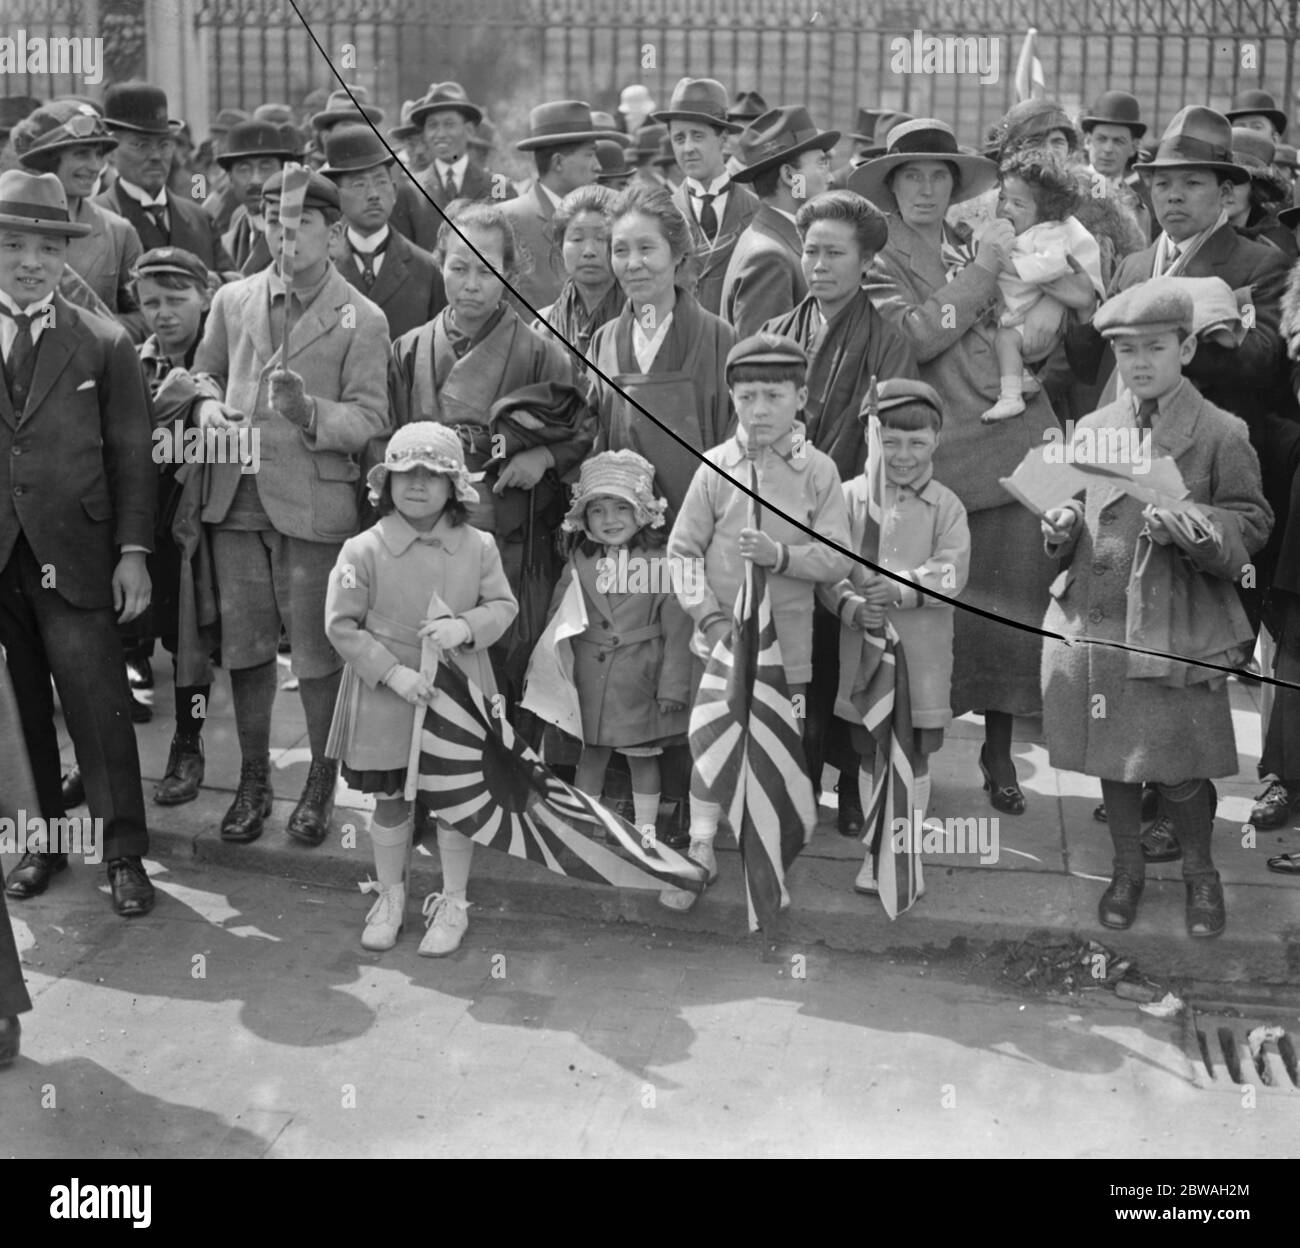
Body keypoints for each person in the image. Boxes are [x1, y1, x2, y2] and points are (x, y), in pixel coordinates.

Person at [1041, 280, 1272, 937]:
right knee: (1114, 757)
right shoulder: (1096, 428)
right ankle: (1128, 868)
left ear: (1187, 347)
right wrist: (1062, 523)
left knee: (1181, 763)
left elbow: (1252, 521)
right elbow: (1077, 506)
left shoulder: (1222, 433)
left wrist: (1198, 529)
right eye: (1125, 350)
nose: (1139, 363)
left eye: (1154, 348)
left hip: (1176, 623)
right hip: (1102, 618)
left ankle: (1201, 875)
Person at [856, 118, 1055, 814]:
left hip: (1010, 451)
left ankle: (1000, 753)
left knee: (1010, 605)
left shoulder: (970, 241)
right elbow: (914, 334)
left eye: (939, 176)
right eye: (911, 175)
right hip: (933, 457)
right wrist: (981, 272)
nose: (926, 188)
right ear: (890, 184)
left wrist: (1026, 364)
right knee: (924, 612)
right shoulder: (879, 259)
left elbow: (1019, 319)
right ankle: (912, 758)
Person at [191, 168, 391, 848]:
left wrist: (309, 412)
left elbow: (370, 417)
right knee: (245, 649)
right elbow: (203, 371)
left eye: (300, 225)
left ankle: (318, 784)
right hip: (236, 501)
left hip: (312, 507)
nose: (285, 237)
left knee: (316, 652)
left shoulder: (362, 317)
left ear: (334, 234)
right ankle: (252, 781)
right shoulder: (232, 298)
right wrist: (207, 403)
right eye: (274, 224)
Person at [0, 170, 157, 917]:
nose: (29, 261)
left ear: (66, 256)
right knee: (17, 704)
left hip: (82, 553)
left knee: (97, 705)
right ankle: (40, 842)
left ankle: (124, 852)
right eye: (11, 244)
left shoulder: (104, 341)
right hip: (2, 557)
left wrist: (132, 553)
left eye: (45, 247)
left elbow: (132, 457)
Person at [660, 332, 853, 911]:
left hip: (787, 651)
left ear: (802, 398)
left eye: (774, 394)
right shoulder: (715, 469)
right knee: (712, 745)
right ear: (732, 399)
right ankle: (700, 849)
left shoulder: (819, 472)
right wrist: (710, 618)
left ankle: (766, 859)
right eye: (747, 397)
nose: (761, 409)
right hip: (718, 645)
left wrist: (784, 557)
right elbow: (681, 552)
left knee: (774, 750)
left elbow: (841, 553)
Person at [387, 201, 591, 709]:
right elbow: (385, 440)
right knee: (425, 657)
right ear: (440, 264)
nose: (471, 284)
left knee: (503, 663)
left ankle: (505, 782)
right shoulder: (409, 349)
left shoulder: (541, 352)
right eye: (459, 268)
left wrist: (542, 458)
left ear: (510, 272)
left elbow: (583, 427)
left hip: (511, 532)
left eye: (486, 269)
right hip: (423, 526)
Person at [325, 422, 517, 954]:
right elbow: (341, 625)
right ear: (385, 483)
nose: (417, 484)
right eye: (405, 473)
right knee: (390, 799)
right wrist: (393, 673)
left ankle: (454, 901)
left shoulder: (479, 546)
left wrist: (467, 626)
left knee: (456, 799)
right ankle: (390, 896)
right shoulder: (361, 549)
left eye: (433, 475)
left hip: (456, 690)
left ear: (455, 486)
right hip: (388, 693)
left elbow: (504, 606)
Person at [763, 188, 918, 831]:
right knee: (792, 655)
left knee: (848, 653)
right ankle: (791, 778)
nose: (819, 264)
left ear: (866, 264)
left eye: (835, 253)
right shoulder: (776, 332)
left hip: (853, 516)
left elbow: (893, 439)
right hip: (778, 514)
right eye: (811, 251)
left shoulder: (886, 340)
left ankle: (851, 785)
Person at [819, 379, 970, 891]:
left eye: (917, 443)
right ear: (870, 437)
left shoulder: (946, 505)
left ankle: (906, 850)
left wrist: (903, 590)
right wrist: (853, 605)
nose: (903, 456)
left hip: (922, 657)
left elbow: (952, 572)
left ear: (936, 441)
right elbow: (828, 569)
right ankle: (875, 850)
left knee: (915, 751)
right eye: (891, 441)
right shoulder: (847, 498)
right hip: (864, 653)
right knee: (869, 747)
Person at [525, 450, 691, 838]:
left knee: (643, 757)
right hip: (590, 679)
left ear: (644, 512)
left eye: (621, 507)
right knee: (592, 753)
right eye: (597, 511)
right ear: (583, 519)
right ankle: (587, 825)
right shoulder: (578, 563)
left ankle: (645, 830)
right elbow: (556, 622)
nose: (610, 519)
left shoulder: (663, 564)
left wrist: (673, 687)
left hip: (641, 679)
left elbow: (679, 633)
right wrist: (552, 674)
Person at [130, 247, 219, 806]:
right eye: (150, 302)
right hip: (136, 524)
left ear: (205, 295)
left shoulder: (223, 360)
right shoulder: (129, 360)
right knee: (120, 642)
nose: (163, 314)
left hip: (196, 529)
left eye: (177, 299)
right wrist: (168, 402)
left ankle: (188, 745)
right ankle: (103, 759)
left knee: (190, 650)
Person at [588, 184, 737, 514]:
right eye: (620, 250)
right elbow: (592, 440)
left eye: (646, 248)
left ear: (677, 253)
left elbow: (737, 446)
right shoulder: (604, 341)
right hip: (625, 537)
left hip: (703, 529)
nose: (633, 263)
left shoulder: (720, 338)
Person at [981, 150, 1103, 423]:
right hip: (1008, 320)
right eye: (1002, 198)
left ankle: (1013, 391)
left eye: (1017, 203)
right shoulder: (997, 224)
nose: (1005, 208)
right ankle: (1017, 379)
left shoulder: (1060, 233)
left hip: (1058, 370)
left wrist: (1060, 303)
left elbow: (1075, 280)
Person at [10, 101, 144, 322]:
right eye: (82, 154)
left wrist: (98, 334)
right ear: (49, 160)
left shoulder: (118, 232)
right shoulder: (8, 225)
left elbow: (144, 315)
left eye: (99, 155)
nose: (95, 166)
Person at [721, 106, 839, 337]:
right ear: (790, 177)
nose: (831, 177)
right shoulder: (769, 255)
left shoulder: (776, 239)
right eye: (821, 163)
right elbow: (765, 363)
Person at [321, 124, 446, 339]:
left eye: (380, 182)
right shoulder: (321, 267)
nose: (373, 195)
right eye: (359, 184)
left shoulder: (427, 269)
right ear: (336, 197)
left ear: (394, 191)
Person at [96, 83, 234, 276]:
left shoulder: (200, 218)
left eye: (164, 144)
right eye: (141, 145)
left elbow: (232, 293)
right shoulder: (94, 219)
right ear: (110, 152)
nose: (156, 156)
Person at [652, 78, 757, 316]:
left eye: (697, 136)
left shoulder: (757, 212)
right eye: (679, 138)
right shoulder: (660, 215)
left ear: (723, 139)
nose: (687, 148)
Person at [501, 101, 617, 313]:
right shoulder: (507, 222)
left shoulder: (612, 215)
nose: (598, 166)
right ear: (558, 163)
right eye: (589, 155)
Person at [310, 86, 440, 252]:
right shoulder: (311, 187)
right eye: (349, 127)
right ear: (326, 137)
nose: (359, 134)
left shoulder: (399, 185)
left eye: (366, 127)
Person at [532, 183, 624, 367]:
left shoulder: (641, 316)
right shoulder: (543, 325)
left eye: (601, 238)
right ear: (560, 247)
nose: (588, 251)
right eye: (577, 239)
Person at [413, 82, 514, 211]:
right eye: (433, 126)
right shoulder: (411, 190)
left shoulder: (498, 187)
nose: (441, 134)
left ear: (469, 130)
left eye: (449, 124)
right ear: (425, 133)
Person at [214, 120, 295, 274]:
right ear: (230, 178)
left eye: (265, 167)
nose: (255, 180)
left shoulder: (301, 234)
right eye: (244, 169)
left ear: (283, 172)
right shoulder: (225, 242)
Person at [1080, 90, 1155, 241]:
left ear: (1133, 147)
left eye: (1118, 141)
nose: (1108, 149)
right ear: (1088, 141)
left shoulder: (1139, 207)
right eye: (1101, 139)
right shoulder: (1068, 191)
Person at [1226, 127, 1298, 258]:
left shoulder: (1277, 245)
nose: (1226, 191)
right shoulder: (1194, 233)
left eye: (1236, 181)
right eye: (1219, 179)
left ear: (1256, 187)